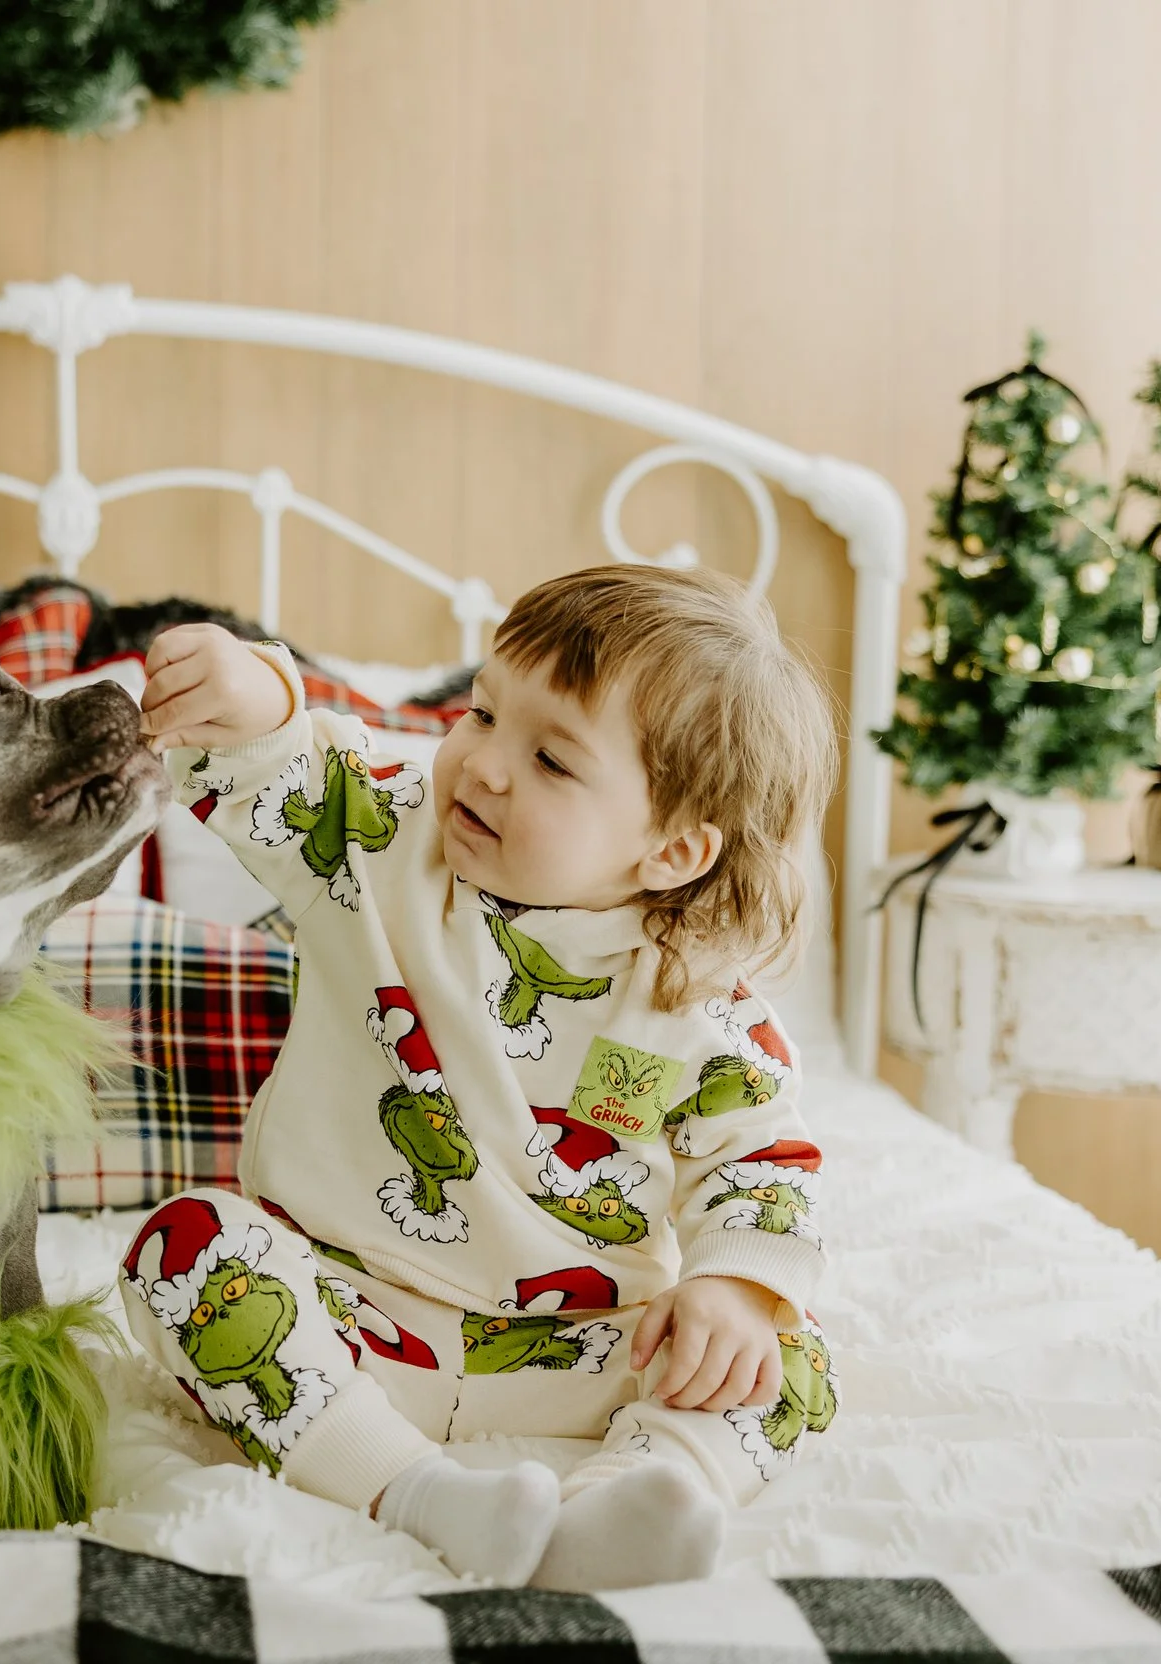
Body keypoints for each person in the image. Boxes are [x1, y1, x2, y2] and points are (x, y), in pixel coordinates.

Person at [119, 563, 839, 1589]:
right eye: (480, 711)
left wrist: (731, 1288)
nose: (483, 765)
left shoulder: (697, 1000)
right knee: (187, 1246)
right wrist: (255, 695)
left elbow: (761, 1158)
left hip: (581, 1350)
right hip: (354, 1315)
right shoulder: (376, 843)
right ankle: (426, 1494)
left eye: (551, 759)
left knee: (789, 1358)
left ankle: (631, 1496)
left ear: (673, 849)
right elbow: (277, 764)